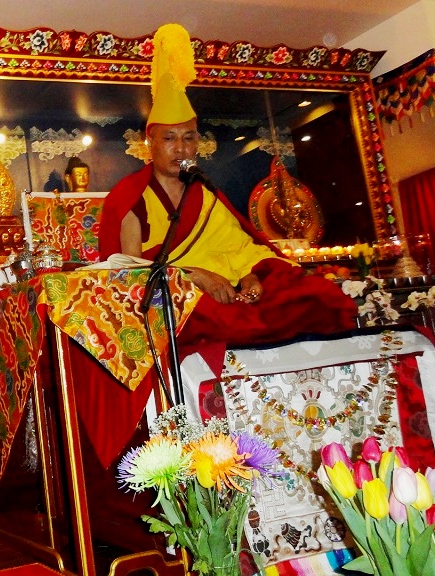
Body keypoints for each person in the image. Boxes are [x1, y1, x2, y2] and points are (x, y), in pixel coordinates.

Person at [98, 23, 355, 348]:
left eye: (189, 138)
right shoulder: (132, 195)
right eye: (169, 138)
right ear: (150, 142)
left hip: (232, 289)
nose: (180, 149)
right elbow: (130, 276)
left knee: (312, 294)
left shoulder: (203, 191)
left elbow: (241, 248)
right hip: (180, 297)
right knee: (205, 316)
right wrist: (196, 276)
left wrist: (251, 275)